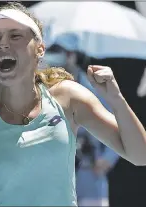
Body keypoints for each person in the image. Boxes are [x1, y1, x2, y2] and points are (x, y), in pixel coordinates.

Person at [0, 2, 146, 206]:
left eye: (15, 36)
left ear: (40, 49)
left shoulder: (69, 98)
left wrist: (116, 99)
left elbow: (140, 157)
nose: (3, 45)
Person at [44, 45, 120, 206]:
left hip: (89, 172)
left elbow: (117, 123)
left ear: (72, 56)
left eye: (58, 54)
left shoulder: (94, 88)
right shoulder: (42, 88)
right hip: (54, 174)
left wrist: (107, 158)